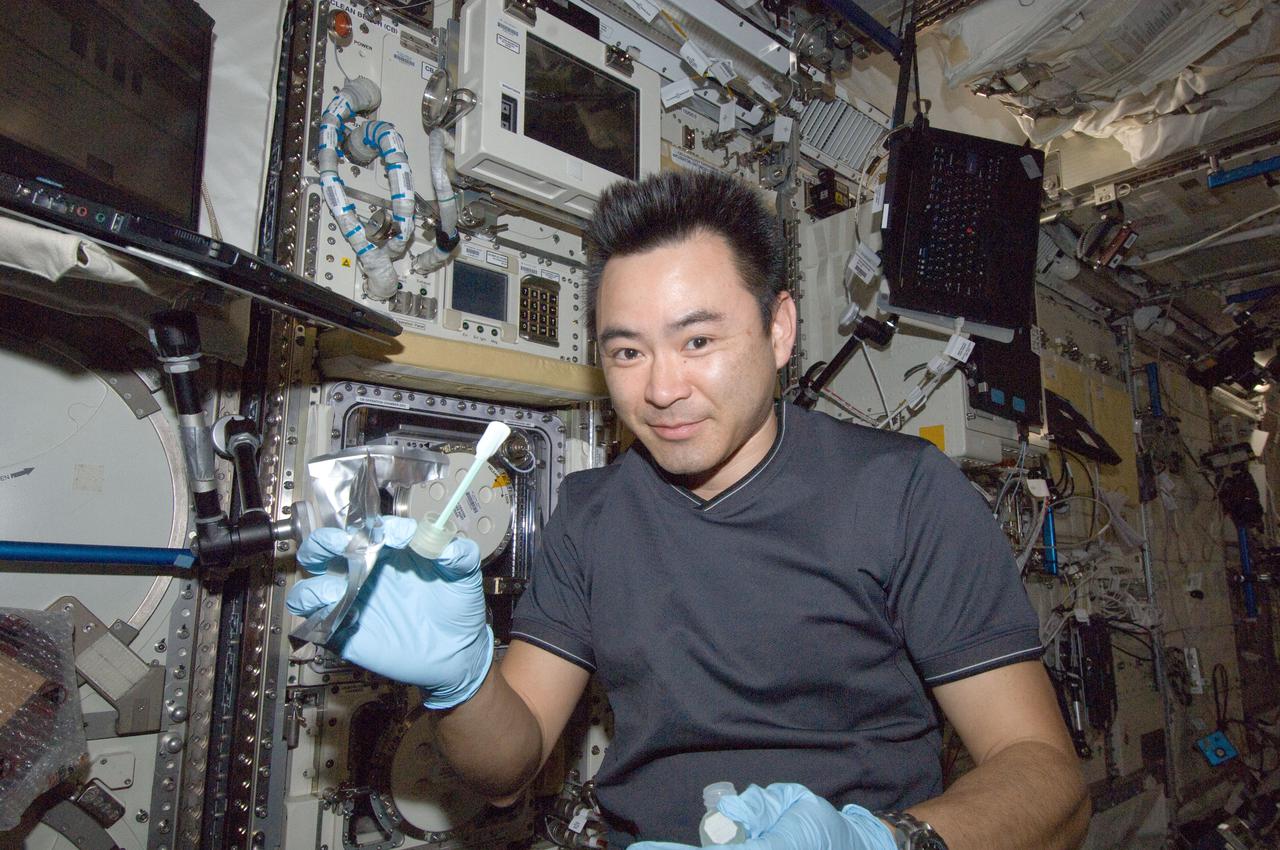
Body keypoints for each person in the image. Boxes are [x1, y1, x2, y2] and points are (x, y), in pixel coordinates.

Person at [288, 170, 1090, 849]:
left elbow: (1046, 772)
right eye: (627, 351)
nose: (662, 388)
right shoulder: (589, 517)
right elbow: (507, 769)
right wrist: (460, 682)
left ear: (779, 330)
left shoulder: (903, 493)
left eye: (698, 342)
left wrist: (885, 841)